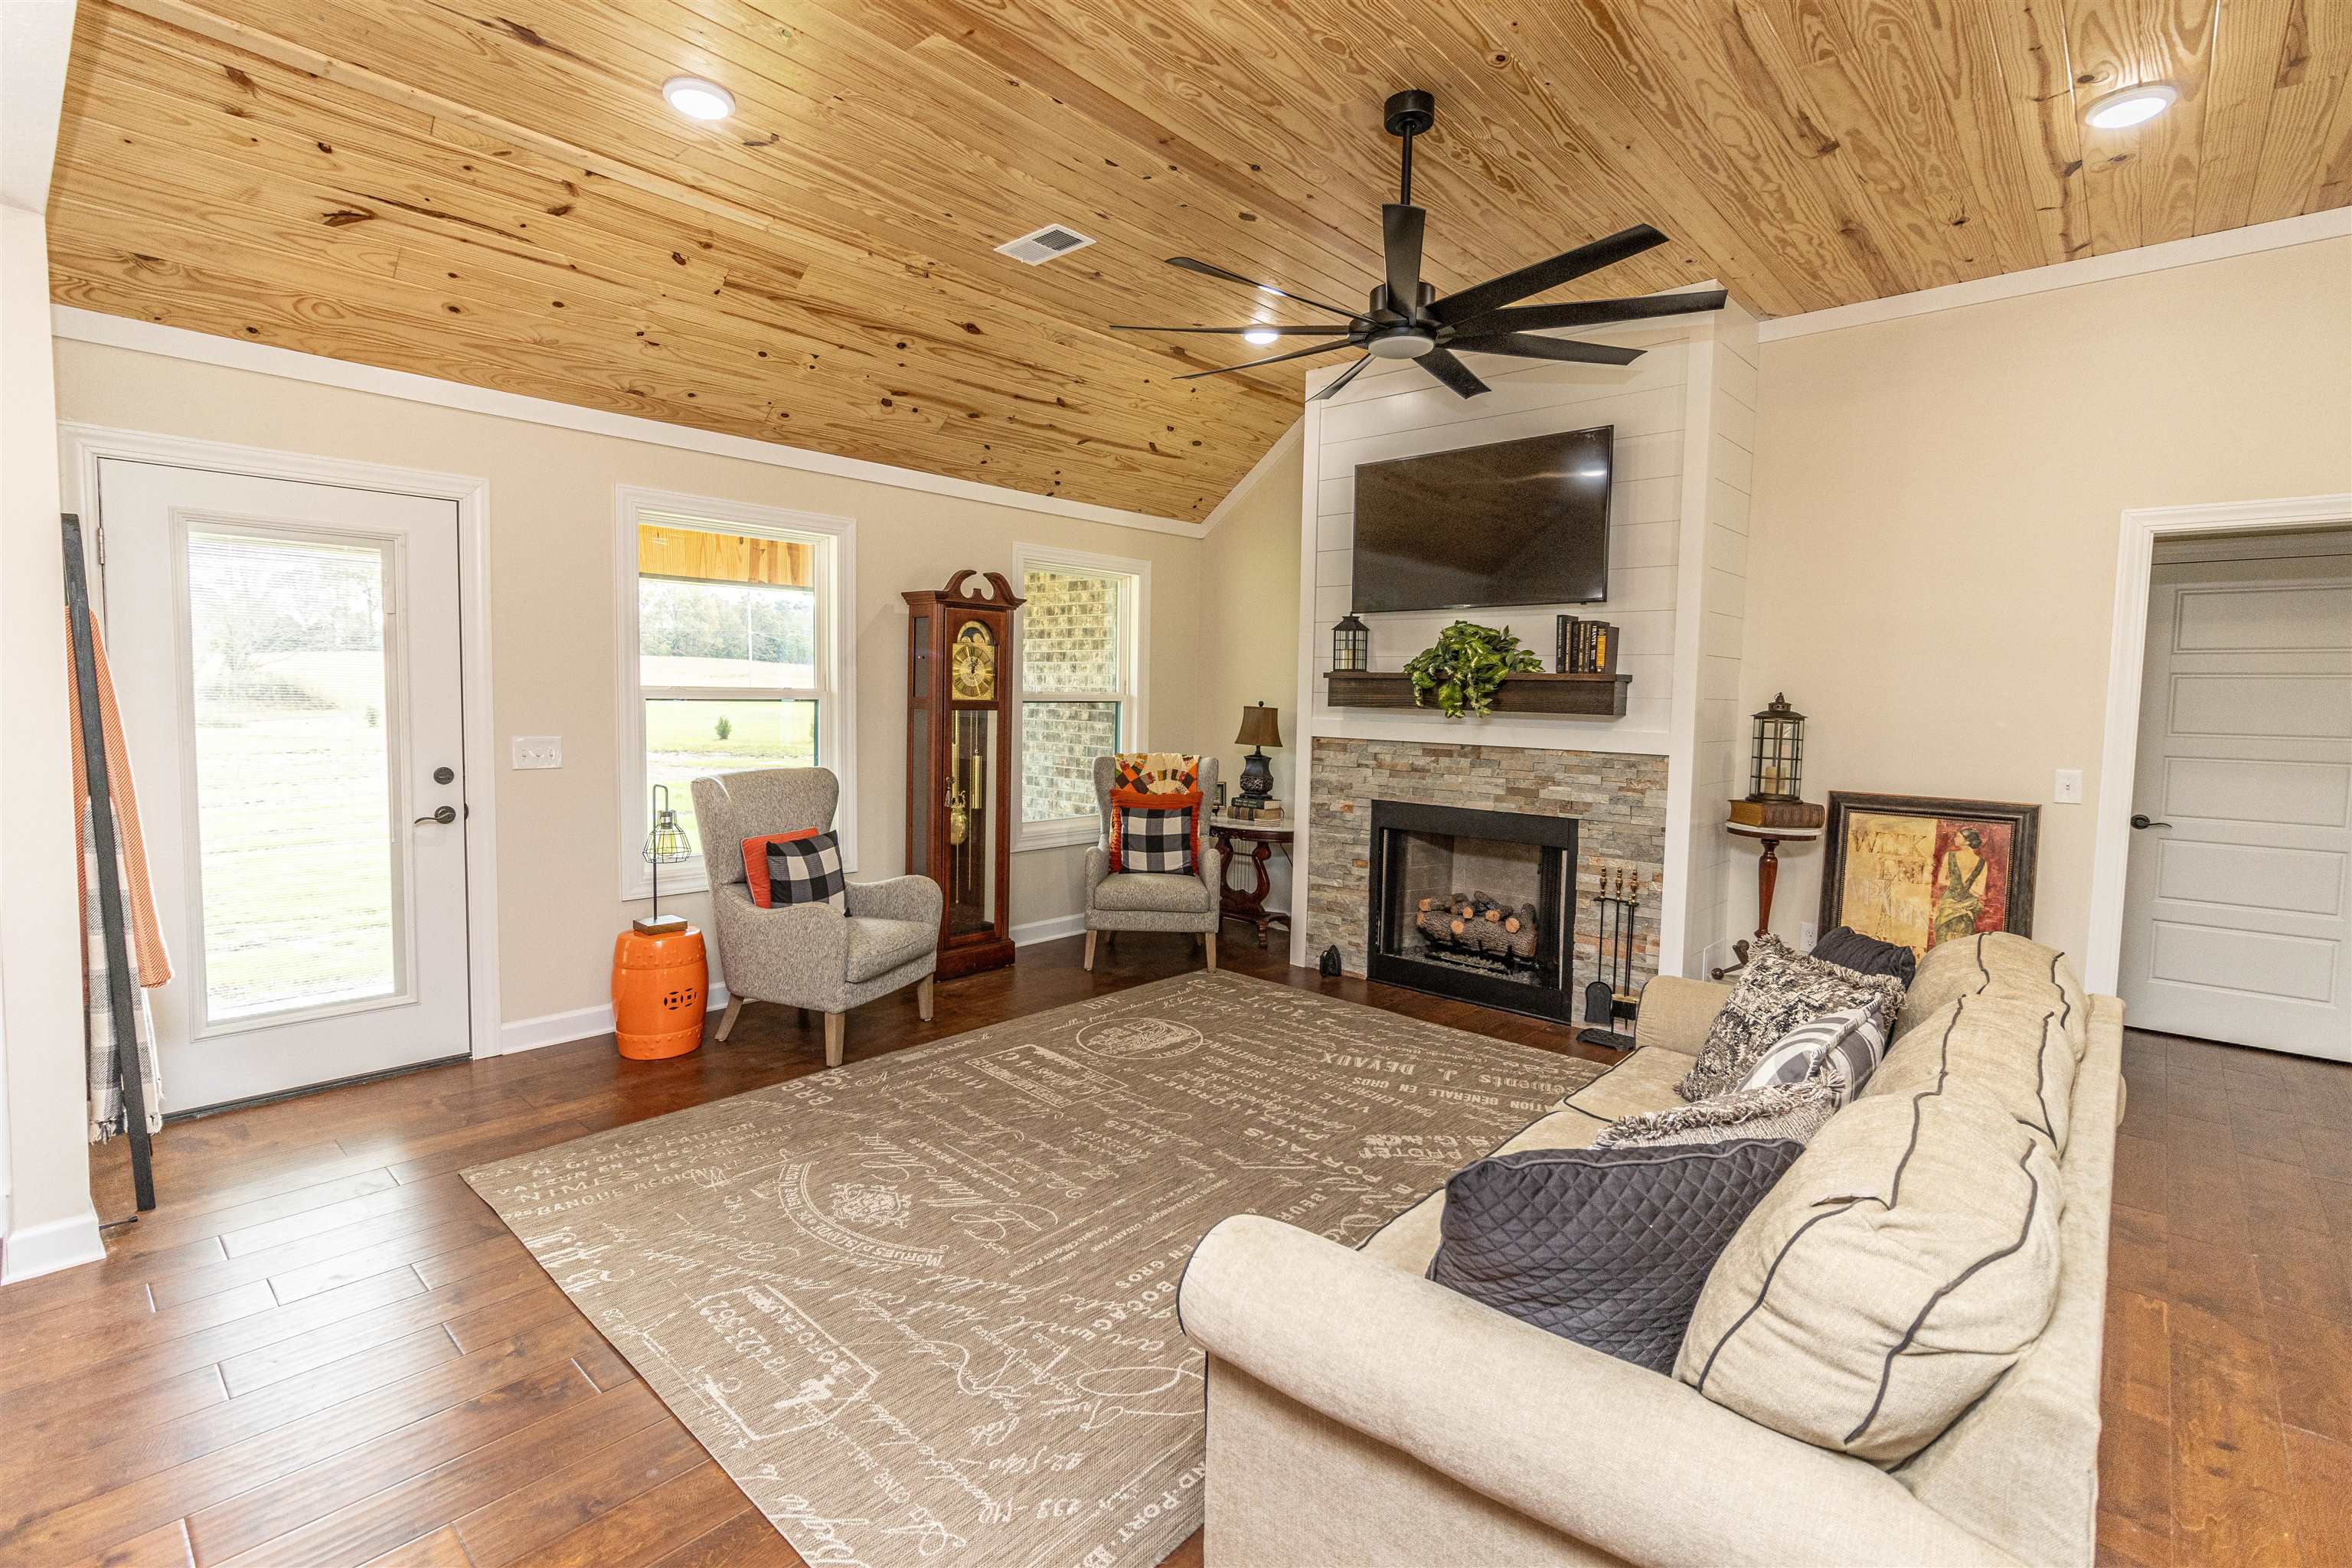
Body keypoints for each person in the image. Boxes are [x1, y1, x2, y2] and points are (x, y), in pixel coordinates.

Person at [1932, 828, 1988, 946]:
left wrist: (1956, 885)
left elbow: (1942, 880)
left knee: (1956, 938)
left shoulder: (1950, 856)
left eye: (1958, 837)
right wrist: (1965, 887)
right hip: (1966, 903)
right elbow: (1978, 890)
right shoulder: (1981, 862)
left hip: (1958, 904)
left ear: (1967, 841)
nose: (1955, 839)